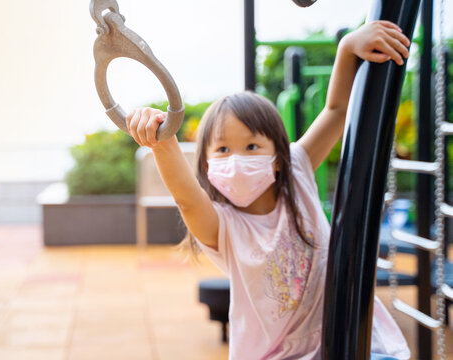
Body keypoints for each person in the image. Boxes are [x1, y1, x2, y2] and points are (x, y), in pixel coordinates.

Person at [126, 20, 411, 360]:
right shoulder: (224, 227)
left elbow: (335, 111)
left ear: (278, 156)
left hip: (343, 336)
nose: (236, 161)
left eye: (251, 147)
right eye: (222, 150)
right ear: (206, 166)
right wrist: (162, 143)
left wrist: (347, 48)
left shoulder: (300, 171)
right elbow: (187, 199)